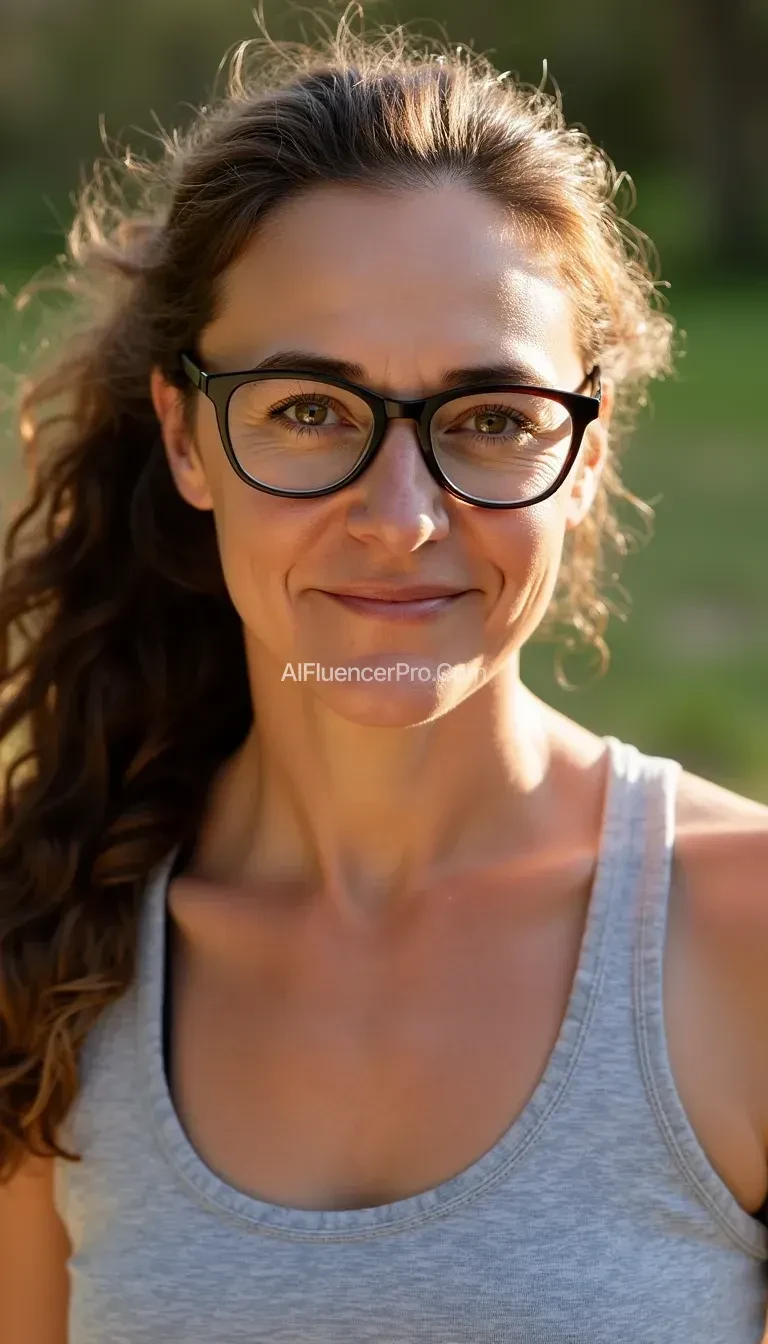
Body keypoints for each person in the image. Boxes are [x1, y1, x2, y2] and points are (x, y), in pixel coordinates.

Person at [1, 15, 767, 1344]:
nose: (401, 515)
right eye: (308, 410)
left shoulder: (745, 943)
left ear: (584, 453)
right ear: (187, 439)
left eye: (488, 420)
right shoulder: (48, 939)